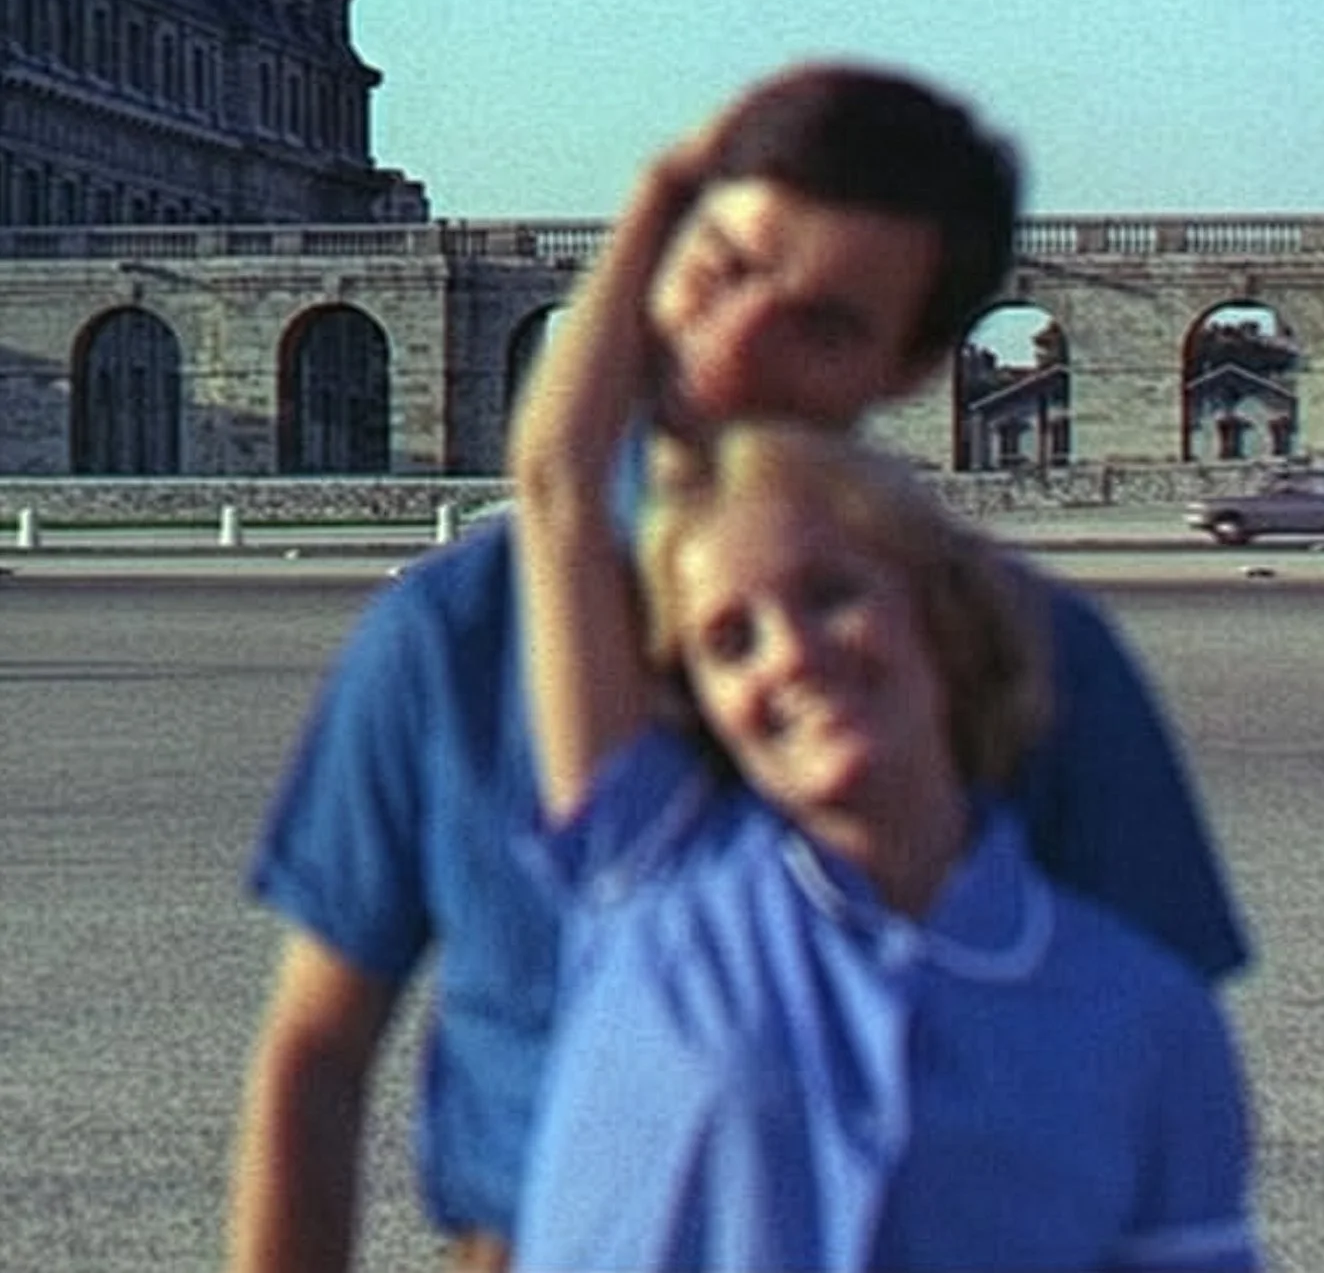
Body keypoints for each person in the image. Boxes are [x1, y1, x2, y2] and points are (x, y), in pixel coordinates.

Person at [225, 63, 1251, 1273]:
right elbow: (319, 1046)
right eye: (722, 269)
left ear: (914, 367)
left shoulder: (1043, 658)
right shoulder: (459, 635)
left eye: (820, 325)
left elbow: (1155, 1061)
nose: (727, 346)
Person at [504, 172, 1258, 1269]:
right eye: (729, 640)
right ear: (697, 699)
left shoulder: (1144, 1015)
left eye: (830, 593)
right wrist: (676, 191)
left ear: (940, 611)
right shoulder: (645, 879)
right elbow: (559, 485)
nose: (791, 654)